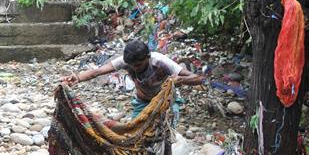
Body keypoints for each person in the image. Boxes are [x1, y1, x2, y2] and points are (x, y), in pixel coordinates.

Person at [61, 40, 203, 117]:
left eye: (139, 65)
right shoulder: (125, 61)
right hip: (143, 102)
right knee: (133, 134)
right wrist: (78, 78)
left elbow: (197, 78)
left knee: (165, 137)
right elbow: (98, 71)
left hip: (166, 103)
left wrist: (181, 80)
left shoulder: (160, 61)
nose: (135, 68)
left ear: (148, 57)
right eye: (131, 65)